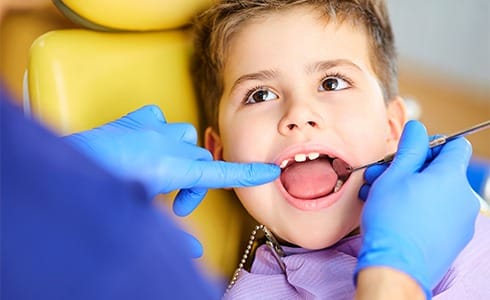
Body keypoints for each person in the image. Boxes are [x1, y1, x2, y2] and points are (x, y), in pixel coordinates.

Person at [187, 0, 490, 299]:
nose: (299, 113)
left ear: (393, 126)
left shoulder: (450, 204)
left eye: (331, 83)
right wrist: (396, 271)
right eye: (260, 94)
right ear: (220, 154)